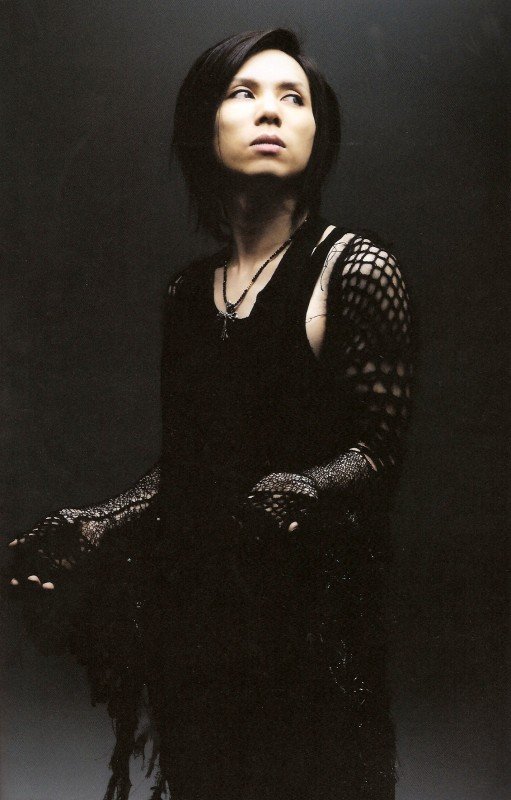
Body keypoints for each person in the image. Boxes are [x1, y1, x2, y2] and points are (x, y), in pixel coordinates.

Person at [7, 28, 414, 800]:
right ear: (205, 125)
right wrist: (97, 522)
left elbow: (379, 451)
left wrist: (309, 487)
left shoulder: (357, 270)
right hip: (197, 631)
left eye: (293, 98)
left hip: (310, 636)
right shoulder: (188, 293)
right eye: (243, 92)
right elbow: (186, 466)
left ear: (318, 134)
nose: (271, 111)